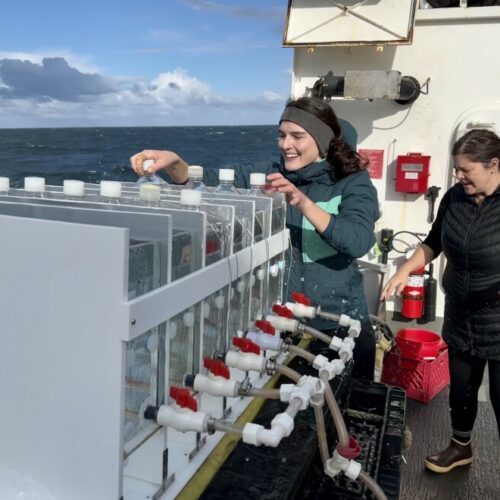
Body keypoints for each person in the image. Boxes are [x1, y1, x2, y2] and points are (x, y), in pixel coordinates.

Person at [130, 96, 380, 380]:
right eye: (282, 135)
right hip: (281, 329)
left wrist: (302, 202)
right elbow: (206, 181)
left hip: (337, 327)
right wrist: (173, 162)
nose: (286, 144)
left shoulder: (353, 182)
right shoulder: (268, 173)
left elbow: (358, 240)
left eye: (297, 136)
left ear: (322, 140)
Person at [381, 128, 500, 473]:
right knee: (461, 389)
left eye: (467, 170)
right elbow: (433, 242)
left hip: (498, 318)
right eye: (457, 169)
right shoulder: (454, 198)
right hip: (461, 314)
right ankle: (460, 447)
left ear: (494, 164)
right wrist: (404, 272)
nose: (459, 176)